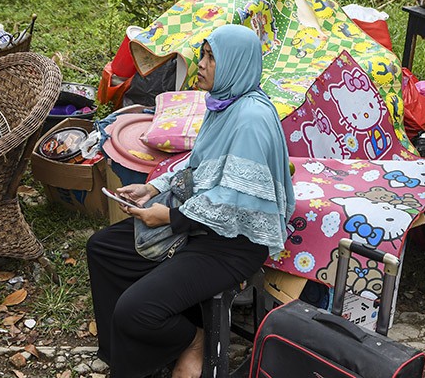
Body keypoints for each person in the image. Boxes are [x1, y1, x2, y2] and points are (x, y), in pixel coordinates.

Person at [86, 24, 296, 378]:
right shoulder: (225, 104)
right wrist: (153, 190)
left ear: (235, 64)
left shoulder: (251, 121)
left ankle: (192, 340)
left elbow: (230, 205)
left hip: (232, 244)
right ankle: (130, 360)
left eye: (211, 57)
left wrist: (167, 216)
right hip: (199, 224)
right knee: (102, 249)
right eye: (203, 54)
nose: (201, 64)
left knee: (135, 310)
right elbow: (198, 164)